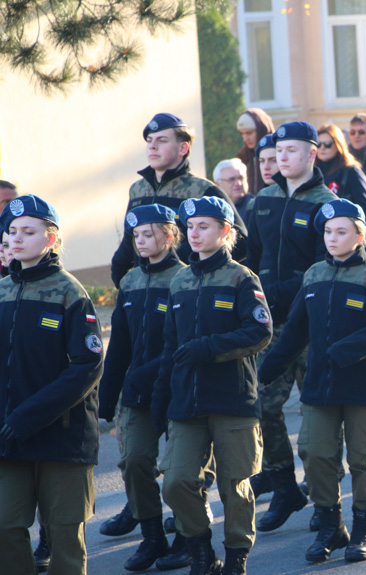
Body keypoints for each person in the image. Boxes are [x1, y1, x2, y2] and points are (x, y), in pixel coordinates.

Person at [259, 198, 366, 563]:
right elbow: (294, 332)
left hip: (365, 388)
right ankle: (330, 526)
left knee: (363, 460)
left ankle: (363, 532)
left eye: (342, 231)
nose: (333, 238)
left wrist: (344, 351)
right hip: (321, 387)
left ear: (359, 236)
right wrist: (265, 371)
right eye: (328, 231)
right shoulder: (314, 276)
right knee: (316, 454)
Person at [150, 196, 271, 575]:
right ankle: (201, 550)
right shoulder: (180, 280)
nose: (195, 234)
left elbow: (260, 332)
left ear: (225, 232)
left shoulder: (241, 277)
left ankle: (236, 556)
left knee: (235, 488)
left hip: (233, 397)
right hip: (187, 400)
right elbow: (170, 346)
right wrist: (160, 398)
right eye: (190, 227)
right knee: (176, 483)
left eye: (204, 226)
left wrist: (208, 349)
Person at [0, 195, 104, 575]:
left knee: (64, 538)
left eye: (29, 231)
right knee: (5, 527)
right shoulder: (2, 290)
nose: (17, 239)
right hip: (9, 436)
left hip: (62, 436)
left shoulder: (69, 292)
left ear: (51, 238)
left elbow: (87, 365)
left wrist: (28, 415)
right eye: (11, 232)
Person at [244, 122, 337, 534]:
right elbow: (252, 256)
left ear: (312, 154)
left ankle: (324, 500)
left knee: (318, 416)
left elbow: (326, 266)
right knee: (262, 404)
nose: (283, 158)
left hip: (312, 327)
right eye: (279, 151)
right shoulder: (263, 200)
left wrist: (280, 292)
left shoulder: (326, 204)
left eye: (292, 150)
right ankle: (283, 486)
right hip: (272, 326)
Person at [98, 205, 186, 572]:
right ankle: (152, 538)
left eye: (148, 234)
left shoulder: (185, 278)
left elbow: (182, 342)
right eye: (136, 236)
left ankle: (186, 537)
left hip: (178, 390)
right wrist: (105, 403)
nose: (141, 241)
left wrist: (145, 374)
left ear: (169, 236)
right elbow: (119, 345)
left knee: (183, 471)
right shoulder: (131, 281)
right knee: (135, 461)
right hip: (136, 394)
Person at [110, 113, 247, 288]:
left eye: (162, 140)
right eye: (149, 140)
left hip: (187, 291)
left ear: (183, 148)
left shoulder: (203, 191)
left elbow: (241, 240)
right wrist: (121, 278)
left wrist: (196, 267)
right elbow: (129, 242)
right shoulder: (138, 190)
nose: (152, 146)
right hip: (146, 290)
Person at [316, 124, 366, 224]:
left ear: (338, 145)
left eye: (327, 144)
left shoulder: (351, 170)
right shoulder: (313, 172)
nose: (322, 148)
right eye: (318, 144)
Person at [236, 108, 275, 195]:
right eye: (242, 133)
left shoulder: (280, 153)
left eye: (249, 133)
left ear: (261, 130)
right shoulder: (243, 157)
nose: (245, 138)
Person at [214, 158, 255, 223]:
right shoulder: (213, 207)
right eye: (231, 179)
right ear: (217, 184)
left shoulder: (254, 205)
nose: (238, 183)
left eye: (241, 178)